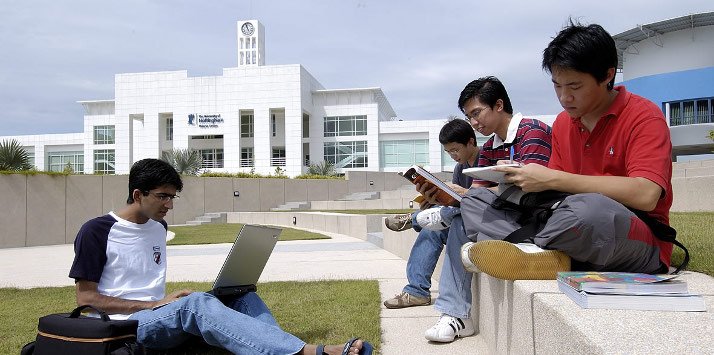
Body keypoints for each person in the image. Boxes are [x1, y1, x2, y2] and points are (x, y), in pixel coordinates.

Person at [459, 16, 673, 330]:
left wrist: (554, 179)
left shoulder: (643, 115)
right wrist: (520, 180)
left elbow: (646, 194)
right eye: (557, 86)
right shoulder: (563, 123)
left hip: (634, 233)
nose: (564, 97)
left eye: (574, 86)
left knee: (590, 208)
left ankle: (530, 250)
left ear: (607, 76)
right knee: (476, 200)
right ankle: (542, 255)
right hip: (570, 221)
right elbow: (555, 195)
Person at [69, 158, 373, 355]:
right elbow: (86, 299)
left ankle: (282, 349)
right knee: (198, 304)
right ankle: (310, 352)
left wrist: (165, 301)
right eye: (163, 196)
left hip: (158, 313)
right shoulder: (97, 231)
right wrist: (154, 304)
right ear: (138, 195)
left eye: (172, 197)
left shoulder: (157, 227)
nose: (169, 205)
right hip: (126, 325)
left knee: (242, 296)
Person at [422, 76, 553, 343]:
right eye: (469, 116)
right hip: (504, 217)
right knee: (461, 216)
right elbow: (478, 198)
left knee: (461, 211)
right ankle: (456, 315)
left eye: (477, 113)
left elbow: (537, 188)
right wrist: (445, 197)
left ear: (499, 105)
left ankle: (456, 313)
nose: (474, 122)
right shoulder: (490, 148)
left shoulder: (532, 131)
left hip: (535, 219)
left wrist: (468, 195)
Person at [383, 119, 481, 309]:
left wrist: (458, 195)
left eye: (455, 150)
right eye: (448, 152)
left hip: (480, 224)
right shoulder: (460, 168)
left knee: (434, 223)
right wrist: (435, 199)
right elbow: (456, 202)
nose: (453, 155)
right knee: (431, 229)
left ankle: (413, 219)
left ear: (470, 142)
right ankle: (416, 292)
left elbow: (482, 199)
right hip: (460, 219)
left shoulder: (485, 158)